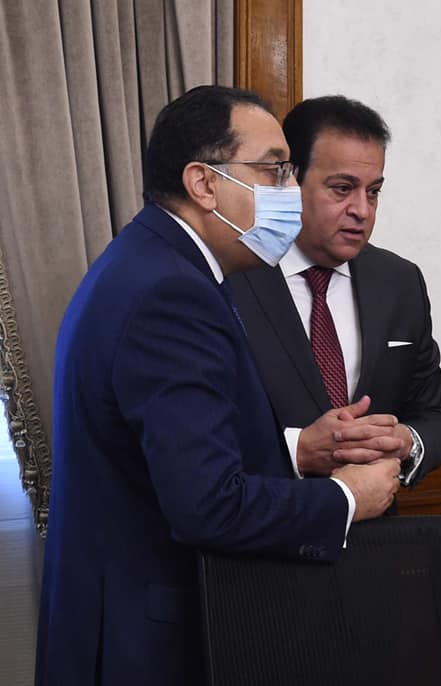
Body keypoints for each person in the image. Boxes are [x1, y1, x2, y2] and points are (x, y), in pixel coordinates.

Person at [36, 85, 403, 686]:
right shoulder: (171, 292)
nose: (290, 191)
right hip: (150, 640)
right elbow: (207, 505)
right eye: (274, 170)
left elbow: (163, 452)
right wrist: (346, 499)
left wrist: (295, 451)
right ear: (204, 184)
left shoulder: (151, 261)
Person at [228, 95, 441, 488]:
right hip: (267, 518)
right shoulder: (231, 277)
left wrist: (405, 442)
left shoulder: (399, 282)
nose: (362, 210)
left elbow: (434, 418)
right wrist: (296, 449)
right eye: (342, 188)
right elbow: (202, 436)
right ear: (290, 181)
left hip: (375, 522)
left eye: (373, 191)